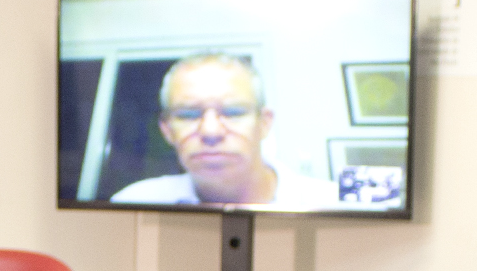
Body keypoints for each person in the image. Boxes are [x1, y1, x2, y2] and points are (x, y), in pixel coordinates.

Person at [108, 54, 343, 209]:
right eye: (189, 114)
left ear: (264, 123)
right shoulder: (132, 204)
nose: (211, 131)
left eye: (233, 112)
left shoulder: (334, 206)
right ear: (167, 130)